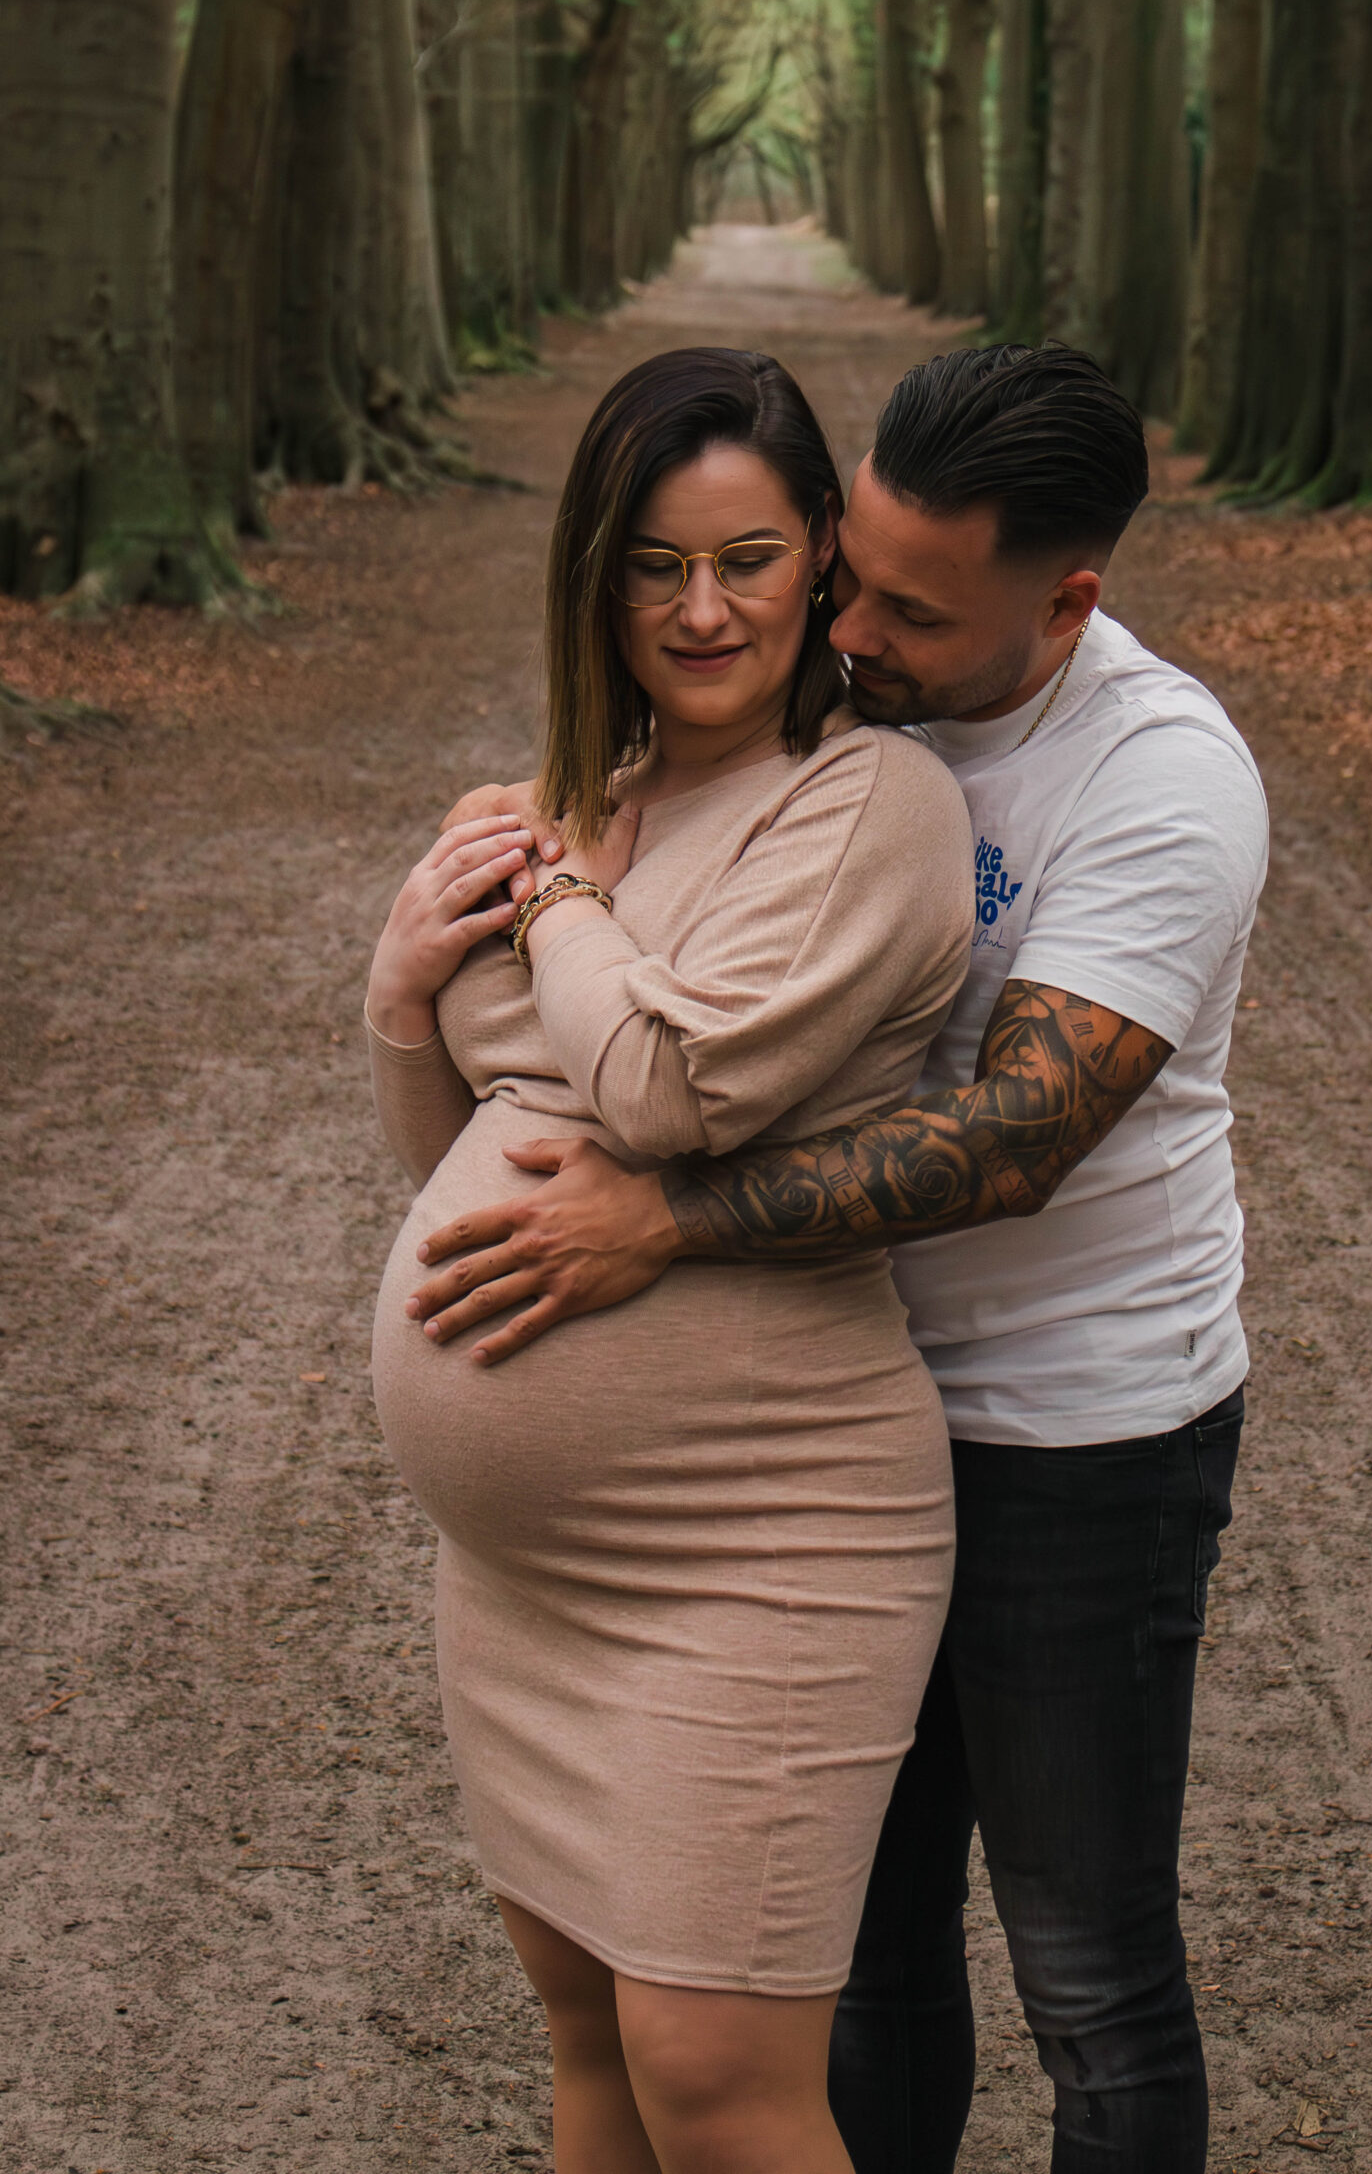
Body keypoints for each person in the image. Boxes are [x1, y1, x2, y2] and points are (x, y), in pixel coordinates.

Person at [420, 342, 1270, 2174]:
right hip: (811, 1406)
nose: (853, 631)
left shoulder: (1159, 777)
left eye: (912, 610)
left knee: (1089, 1974)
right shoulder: (823, 723)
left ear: (1064, 605)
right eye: (850, 572)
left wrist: (667, 1213)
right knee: (857, 1970)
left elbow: (1016, 1135)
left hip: (1069, 1425)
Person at [364, 346, 974, 2174]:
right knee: (590, 2040)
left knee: (715, 2078)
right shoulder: (593, 785)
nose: (701, 611)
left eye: (748, 560)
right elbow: (467, 1146)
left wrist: (554, 896)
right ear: (598, 578)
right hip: (527, 1577)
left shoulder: (865, 806)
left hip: (755, 1534)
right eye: (654, 565)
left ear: (820, 560)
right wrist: (398, 989)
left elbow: (655, 1086)